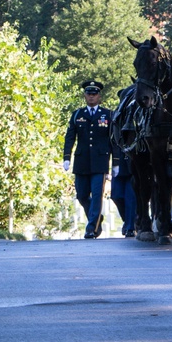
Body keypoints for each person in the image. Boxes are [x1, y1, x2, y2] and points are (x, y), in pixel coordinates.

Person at [63, 80, 118, 239]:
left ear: (99, 96)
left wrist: (116, 163)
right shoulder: (77, 115)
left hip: (100, 162)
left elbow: (113, 140)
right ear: (85, 95)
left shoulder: (108, 114)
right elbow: (70, 138)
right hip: (82, 161)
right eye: (89, 94)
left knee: (96, 195)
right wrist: (66, 157)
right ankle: (96, 218)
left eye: (94, 94)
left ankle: (91, 227)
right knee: (81, 195)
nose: (91, 97)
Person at [109, 140, 137, 237]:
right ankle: (128, 219)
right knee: (116, 195)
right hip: (118, 162)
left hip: (132, 162)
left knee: (131, 199)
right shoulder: (113, 124)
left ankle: (130, 226)